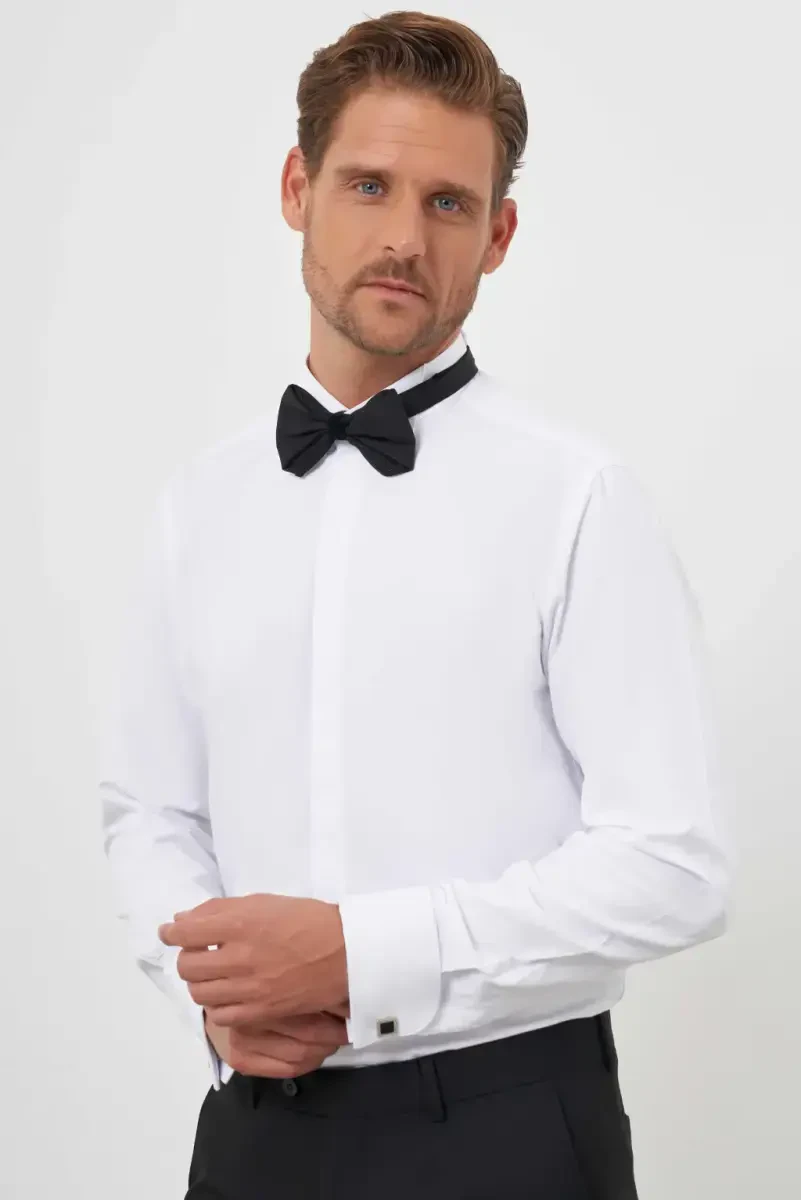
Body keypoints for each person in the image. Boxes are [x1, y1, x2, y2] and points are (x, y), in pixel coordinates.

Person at [99, 11, 731, 1199]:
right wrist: (214, 992)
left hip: (505, 1129)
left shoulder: (579, 498)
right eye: (368, 185)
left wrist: (363, 954)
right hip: (252, 1124)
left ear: (498, 236)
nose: (402, 237)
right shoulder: (199, 506)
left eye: (448, 203)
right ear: (298, 189)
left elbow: (675, 862)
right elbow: (149, 809)